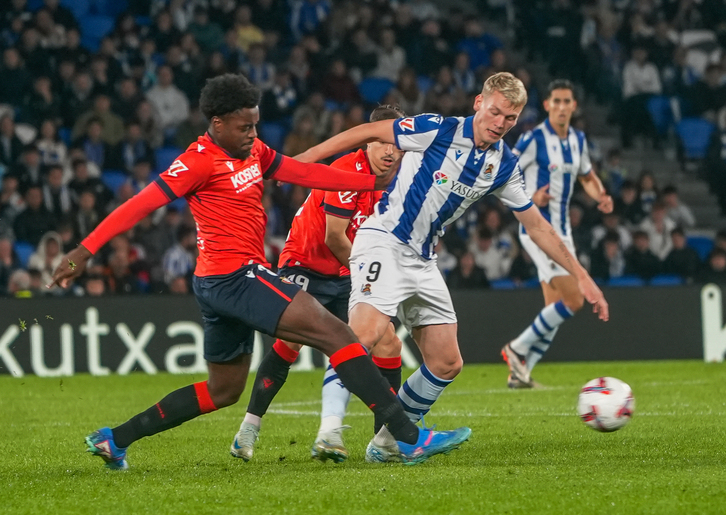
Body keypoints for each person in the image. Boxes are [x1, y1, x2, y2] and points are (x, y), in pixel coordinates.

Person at [49, 74, 469, 470]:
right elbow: (141, 204)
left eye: (255, 124)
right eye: (243, 126)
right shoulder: (198, 161)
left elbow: (304, 172)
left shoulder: (254, 152)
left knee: (223, 391)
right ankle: (408, 438)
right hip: (234, 276)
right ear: (217, 123)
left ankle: (115, 439)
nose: (252, 133)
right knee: (339, 335)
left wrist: (376, 186)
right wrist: (84, 251)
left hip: (222, 283)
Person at [293, 72, 609, 462]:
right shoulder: (437, 129)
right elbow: (367, 131)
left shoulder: (503, 165)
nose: (500, 124)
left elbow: (537, 226)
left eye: (510, 119)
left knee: (446, 362)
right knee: (366, 335)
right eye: (495, 113)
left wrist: (582, 277)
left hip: (423, 260)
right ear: (479, 102)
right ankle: (329, 431)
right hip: (384, 242)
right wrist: (308, 159)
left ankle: (389, 445)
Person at [231, 105, 407, 464]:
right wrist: (372, 278)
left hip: (345, 271)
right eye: (382, 142)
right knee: (290, 342)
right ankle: (248, 428)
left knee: (387, 343)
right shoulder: (347, 169)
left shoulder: (397, 179)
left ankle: (384, 440)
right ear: (367, 142)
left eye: (397, 145)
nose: (390, 152)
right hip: (305, 262)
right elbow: (335, 237)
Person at [502, 79, 613, 389]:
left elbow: (587, 175)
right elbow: (503, 169)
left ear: (574, 106)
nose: (562, 107)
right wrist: (529, 197)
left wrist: (600, 195)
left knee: (555, 307)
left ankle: (520, 374)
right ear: (547, 105)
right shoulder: (533, 139)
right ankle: (516, 349)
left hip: (562, 233)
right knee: (575, 298)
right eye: (557, 101)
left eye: (567, 101)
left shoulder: (577, 139)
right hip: (537, 231)